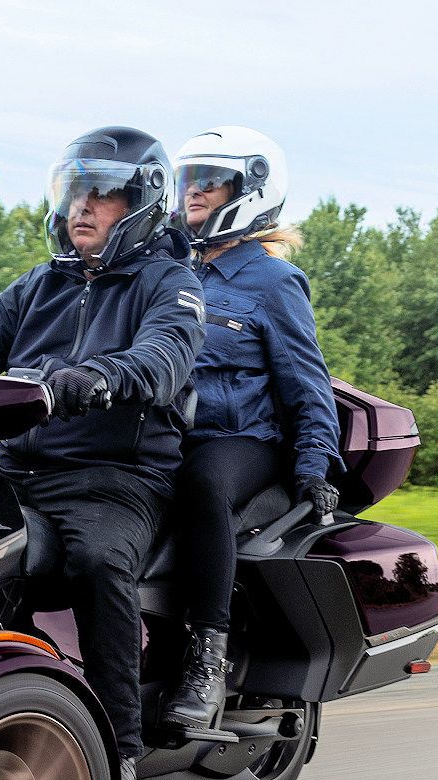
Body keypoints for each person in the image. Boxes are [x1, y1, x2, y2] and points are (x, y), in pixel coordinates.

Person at [0, 126, 206, 780]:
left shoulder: (171, 284)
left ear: (140, 205)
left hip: (115, 477)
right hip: (20, 467)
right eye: (77, 190)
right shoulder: (38, 285)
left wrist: (99, 378)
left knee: (98, 562)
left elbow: (164, 359)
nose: (83, 207)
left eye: (103, 194)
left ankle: (118, 761)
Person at [158, 126, 343, 734]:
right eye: (188, 181)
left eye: (210, 183)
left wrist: (315, 466)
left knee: (201, 485)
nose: (194, 194)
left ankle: (206, 656)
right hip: (166, 433)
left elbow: (307, 382)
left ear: (252, 191)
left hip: (243, 440)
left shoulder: (272, 281)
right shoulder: (167, 269)